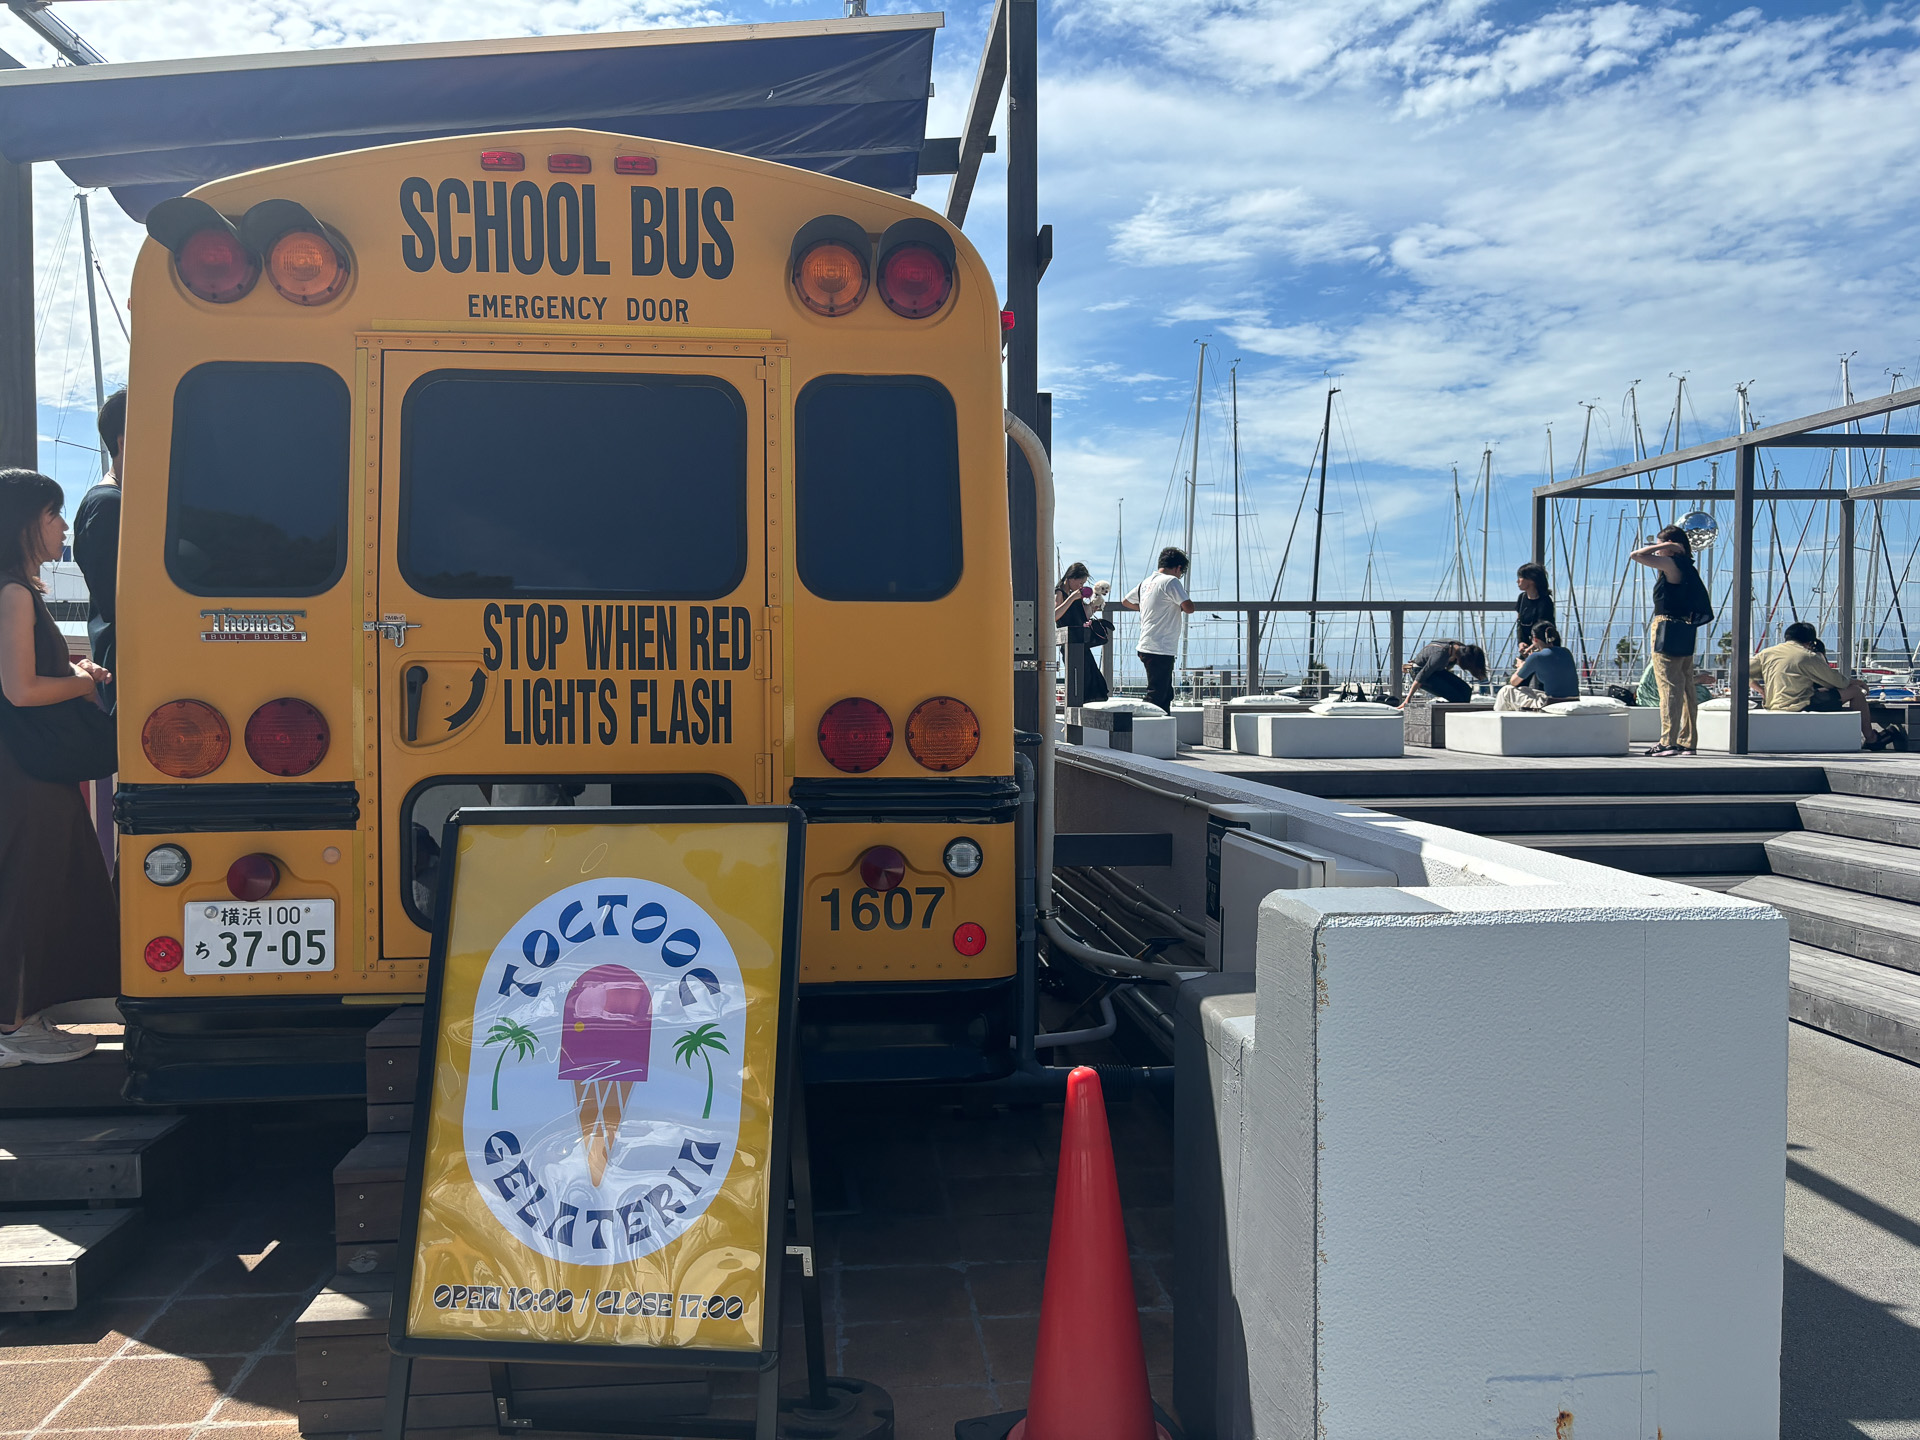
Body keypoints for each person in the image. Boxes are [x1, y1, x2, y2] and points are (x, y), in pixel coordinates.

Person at [0, 469, 119, 1065]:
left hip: (24, 765)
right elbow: (19, 689)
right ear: (25, 522)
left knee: (37, 879)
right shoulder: (15, 593)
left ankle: (24, 1018)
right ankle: (15, 1024)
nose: (63, 527)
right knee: (30, 883)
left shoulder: (20, 589)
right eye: (54, 515)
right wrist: (78, 683)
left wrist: (74, 674)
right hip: (25, 771)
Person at [1629, 523, 1713, 757]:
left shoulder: (1671, 562)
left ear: (1672, 546)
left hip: (1666, 626)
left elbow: (1635, 555)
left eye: (1660, 544)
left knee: (1668, 686)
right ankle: (1687, 741)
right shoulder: (1687, 567)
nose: (1656, 549)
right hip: (1685, 629)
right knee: (1686, 686)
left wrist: (1668, 546)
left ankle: (1668, 741)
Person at [1755, 621, 1899, 749]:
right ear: (1809, 641)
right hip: (1801, 704)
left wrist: (1762, 691)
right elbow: (1837, 681)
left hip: (1773, 705)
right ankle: (1871, 738)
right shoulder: (1806, 655)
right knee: (1855, 692)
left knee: (1836, 700)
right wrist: (1857, 682)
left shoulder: (1767, 653)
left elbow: (1742, 672)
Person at [72, 389, 125, 712]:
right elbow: (115, 600)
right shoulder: (109, 506)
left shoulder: (115, 503)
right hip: (126, 664)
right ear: (125, 441)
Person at [1121, 547, 1193, 713]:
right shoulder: (1170, 581)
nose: (1180, 576)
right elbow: (1189, 607)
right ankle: (1146, 734)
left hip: (1148, 644)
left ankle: (1165, 734)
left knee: (1166, 693)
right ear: (1178, 568)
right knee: (1156, 696)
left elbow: (1125, 601)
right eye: (1181, 572)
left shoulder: (1146, 583)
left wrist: (1149, 608)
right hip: (1160, 646)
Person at [1053, 563, 1110, 704]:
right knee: (1079, 677)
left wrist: (1093, 607)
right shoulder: (1059, 592)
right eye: (1080, 582)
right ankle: (1076, 707)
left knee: (1092, 677)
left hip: (1079, 639)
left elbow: (1082, 616)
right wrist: (1071, 598)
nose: (1080, 586)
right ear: (1070, 578)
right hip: (1069, 640)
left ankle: (1087, 707)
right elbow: (1054, 615)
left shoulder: (1076, 595)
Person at [1497, 621, 1579, 709]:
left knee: (1506, 691)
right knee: (1523, 690)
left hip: (1550, 703)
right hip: (1572, 699)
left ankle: (1499, 719)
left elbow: (1513, 682)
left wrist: (1521, 666)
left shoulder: (1536, 657)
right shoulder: (1566, 652)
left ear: (1535, 639)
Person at [1399, 639, 1488, 706]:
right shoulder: (1440, 655)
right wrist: (1408, 699)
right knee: (1457, 697)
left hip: (1437, 671)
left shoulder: (1461, 648)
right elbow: (1422, 676)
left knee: (1466, 690)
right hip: (1419, 672)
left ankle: (1457, 710)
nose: (1456, 662)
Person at [1515, 563, 1555, 660]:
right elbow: (1519, 623)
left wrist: (1533, 647)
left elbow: (1544, 627)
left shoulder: (1545, 601)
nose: (1517, 581)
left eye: (1520, 577)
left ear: (1531, 580)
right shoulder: (1522, 598)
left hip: (1543, 647)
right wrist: (1521, 642)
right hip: (1527, 647)